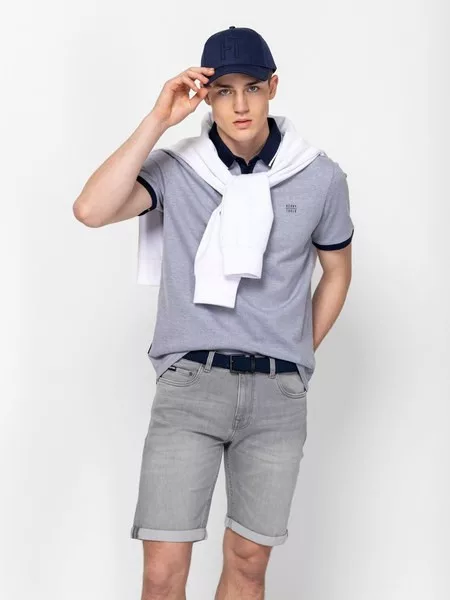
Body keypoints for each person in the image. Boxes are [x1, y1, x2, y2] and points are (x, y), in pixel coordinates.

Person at [73, 25, 354, 600]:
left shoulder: (320, 176)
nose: (240, 104)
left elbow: (337, 271)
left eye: (252, 87)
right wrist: (159, 119)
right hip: (190, 387)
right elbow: (90, 210)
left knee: (248, 565)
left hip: (277, 396)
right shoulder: (179, 168)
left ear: (273, 87)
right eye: (224, 91)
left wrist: (297, 353)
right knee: (162, 571)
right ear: (205, 96)